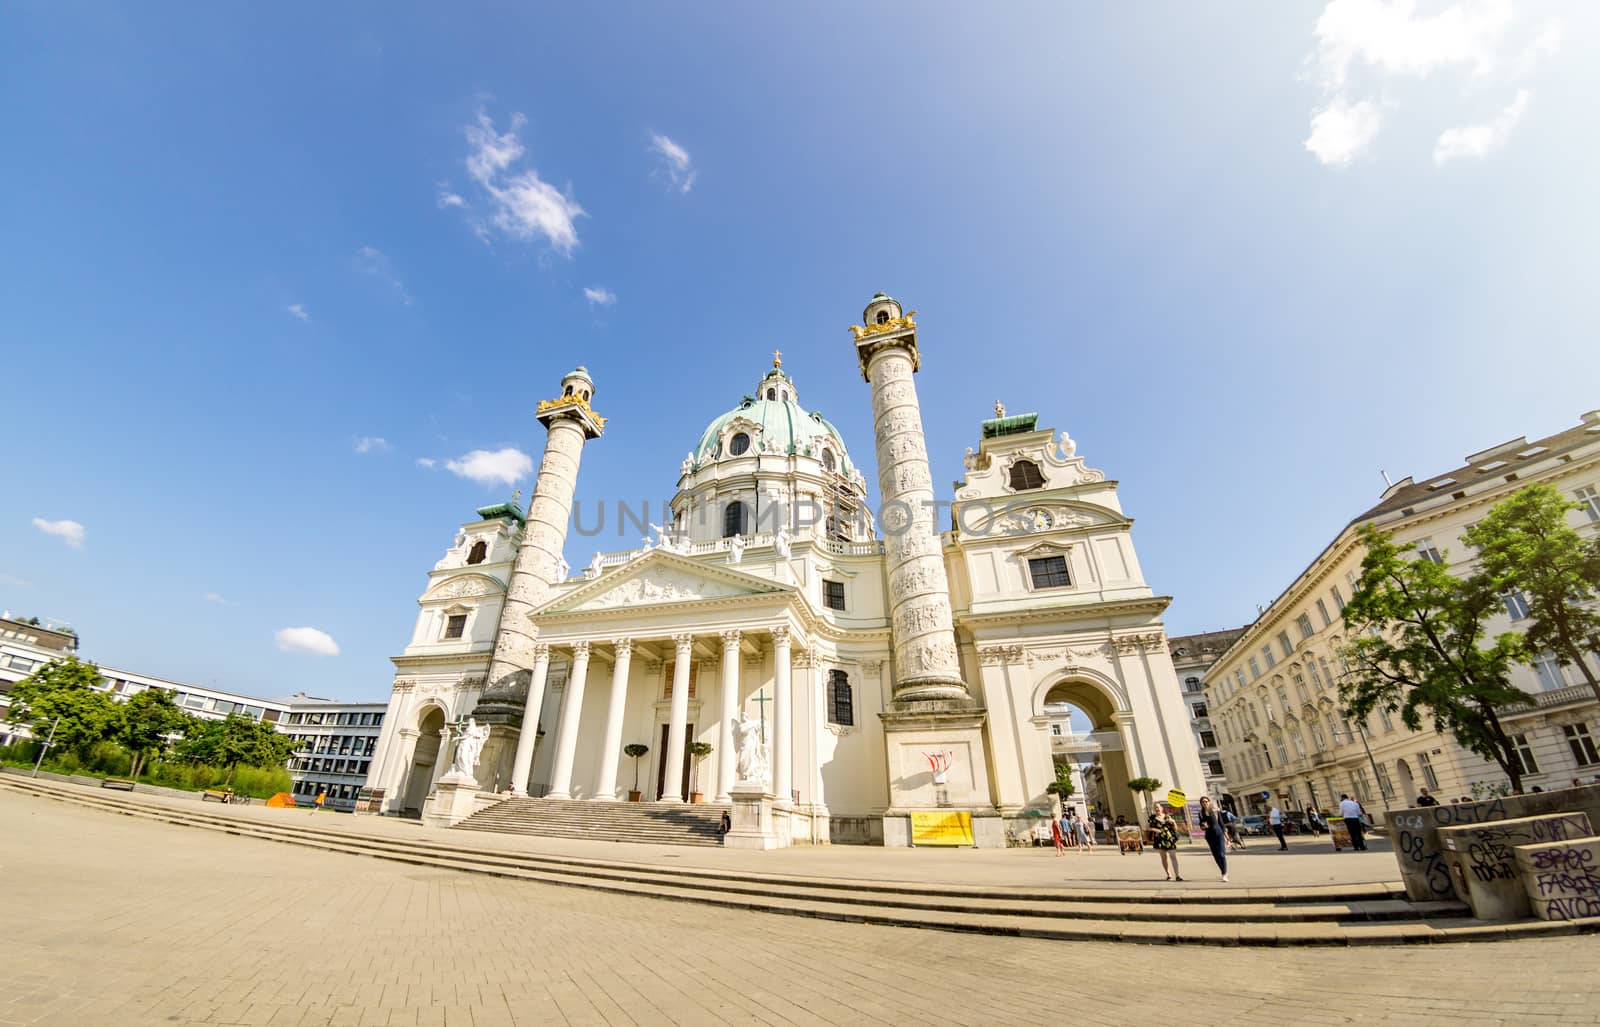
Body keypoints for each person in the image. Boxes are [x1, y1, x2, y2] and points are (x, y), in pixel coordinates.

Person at [1198, 796, 1229, 882]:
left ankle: (1224, 873)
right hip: (1209, 836)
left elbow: (1221, 824)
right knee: (1216, 856)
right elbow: (1201, 825)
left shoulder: (1215, 811)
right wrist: (1203, 826)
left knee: (1221, 854)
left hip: (1219, 834)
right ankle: (1222, 871)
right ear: (1201, 804)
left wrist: (1227, 837)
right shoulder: (1201, 813)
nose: (1205, 803)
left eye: (1206, 801)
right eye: (1203, 802)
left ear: (1209, 802)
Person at [1150, 804, 1182, 881]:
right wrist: (1154, 829)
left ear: (1161, 808)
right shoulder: (1152, 818)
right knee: (1164, 858)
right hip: (1159, 839)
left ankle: (1177, 875)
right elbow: (1147, 827)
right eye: (1155, 807)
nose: (1157, 809)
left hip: (1169, 838)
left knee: (1173, 856)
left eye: (1158, 807)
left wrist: (1173, 822)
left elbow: (1175, 828)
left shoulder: (1167, 817)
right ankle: (1168, 874)